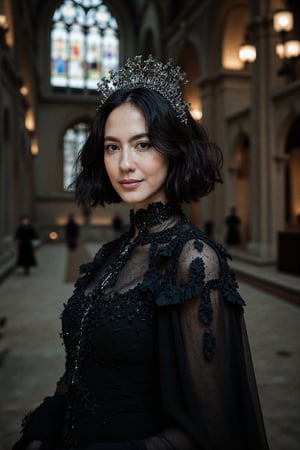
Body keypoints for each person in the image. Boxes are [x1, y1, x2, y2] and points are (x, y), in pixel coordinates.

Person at [13, 55, 269, 450]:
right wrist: (48, 422)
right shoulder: (112, 253)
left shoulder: (193, 259)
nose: (124, 164)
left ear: (172, 148)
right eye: (112, 147)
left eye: (143, 144)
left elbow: (211, 432)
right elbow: (83, 369)